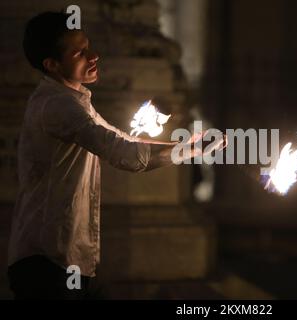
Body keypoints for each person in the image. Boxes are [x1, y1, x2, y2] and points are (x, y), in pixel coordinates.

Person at [7, 11, 225, 299]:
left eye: (89, 46)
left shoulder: (74, 99)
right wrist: (192, 149)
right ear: (52, 64)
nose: (94, 55)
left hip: (62, 261)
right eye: (80, 53)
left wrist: (190, 145)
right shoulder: (59, 107)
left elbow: (123, 140)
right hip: (46, 263)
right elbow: (125, 154)